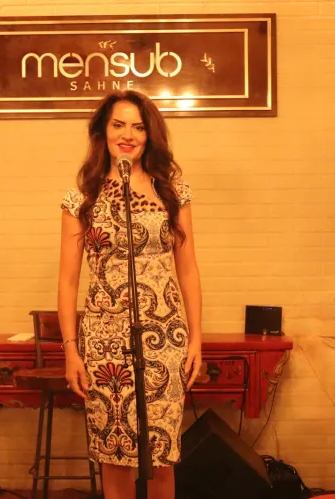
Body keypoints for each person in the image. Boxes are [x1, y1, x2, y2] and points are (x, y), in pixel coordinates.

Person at [57, 90, 203, 499]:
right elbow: (68, 281)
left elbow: (188, 270)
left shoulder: (172, 194)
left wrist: (196, 338)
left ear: (149, 135)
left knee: (161, 452)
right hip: (104, 342)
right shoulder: (81, 200)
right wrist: (71, 351)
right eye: (118, 125)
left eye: (138, 127)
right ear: (102, 131)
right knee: (114, 450)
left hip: (164, 339)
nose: (128, 135)